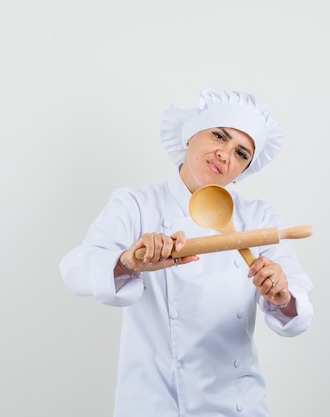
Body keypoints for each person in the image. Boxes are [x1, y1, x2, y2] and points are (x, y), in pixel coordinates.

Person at [59, 88, 313, 417]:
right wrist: (127, 263)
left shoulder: (259, 219)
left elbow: (297, 309)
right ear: (190, 136)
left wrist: (282, 295)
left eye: (241, 153)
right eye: (219, 136)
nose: (225, 155)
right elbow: (75, 270)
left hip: (236, 406)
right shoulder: (136, 206)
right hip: (154, 403)